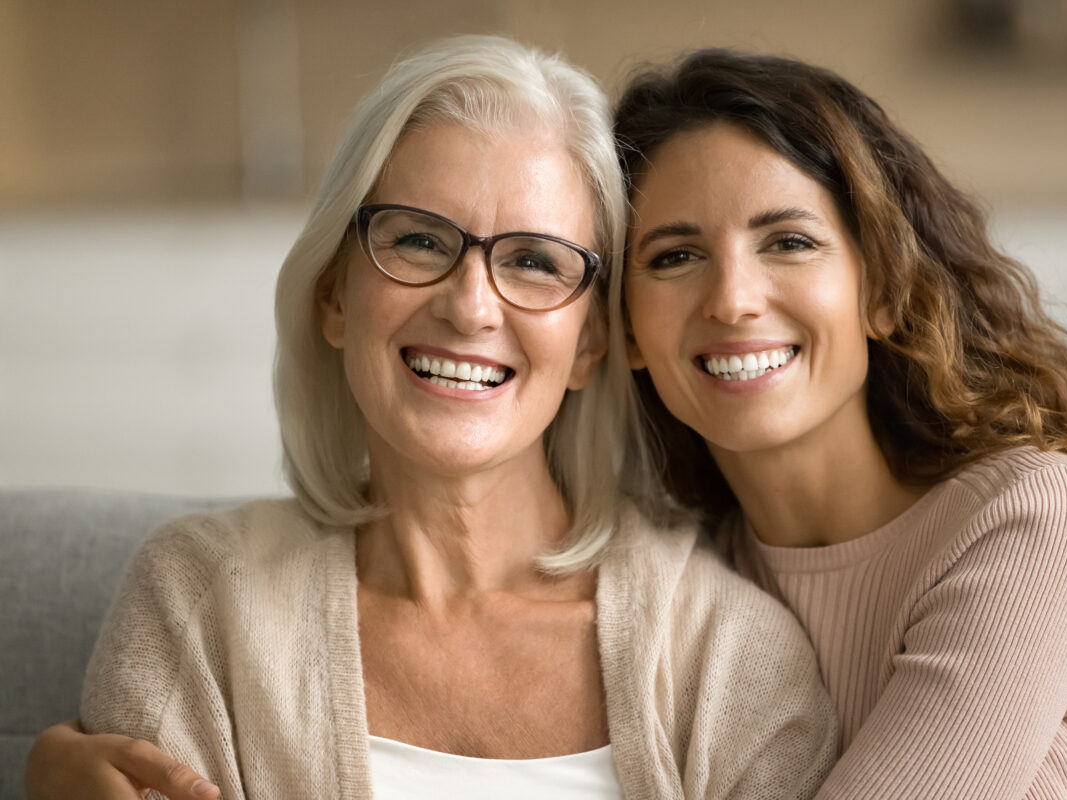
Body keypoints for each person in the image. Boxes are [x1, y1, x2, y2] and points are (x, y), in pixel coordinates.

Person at [23, 37, 837, 800]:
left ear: (590, 339)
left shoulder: (731, 660)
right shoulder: (200, 601)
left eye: (531, 260)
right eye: (417, 241)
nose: (470, 305)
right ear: (335, 295)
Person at [611, 49, 1067, 797]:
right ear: (625, 329)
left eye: (788, 242)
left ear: (882, 292)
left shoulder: (1034, 518)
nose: (732, 299)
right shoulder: (673, 591)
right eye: (674, 255)